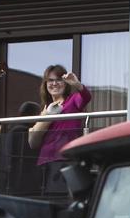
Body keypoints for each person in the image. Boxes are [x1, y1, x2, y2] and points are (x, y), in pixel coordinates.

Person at [28, 65, 91, 196]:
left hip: (66, 159)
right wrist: (47, 116)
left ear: (65, 83)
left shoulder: (72, 100)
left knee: (65, 201)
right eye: (50, 80)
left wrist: (77, 84)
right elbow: (33, 141)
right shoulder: (45, 109)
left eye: (58, 80)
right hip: (46, 162)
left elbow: (86, 97)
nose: (54, 83)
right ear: (45, 84)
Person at [0, 100, 42, 197]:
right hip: (23, 177)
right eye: (38, 114)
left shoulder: (13, 128)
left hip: (12, 174)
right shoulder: (22, 131)